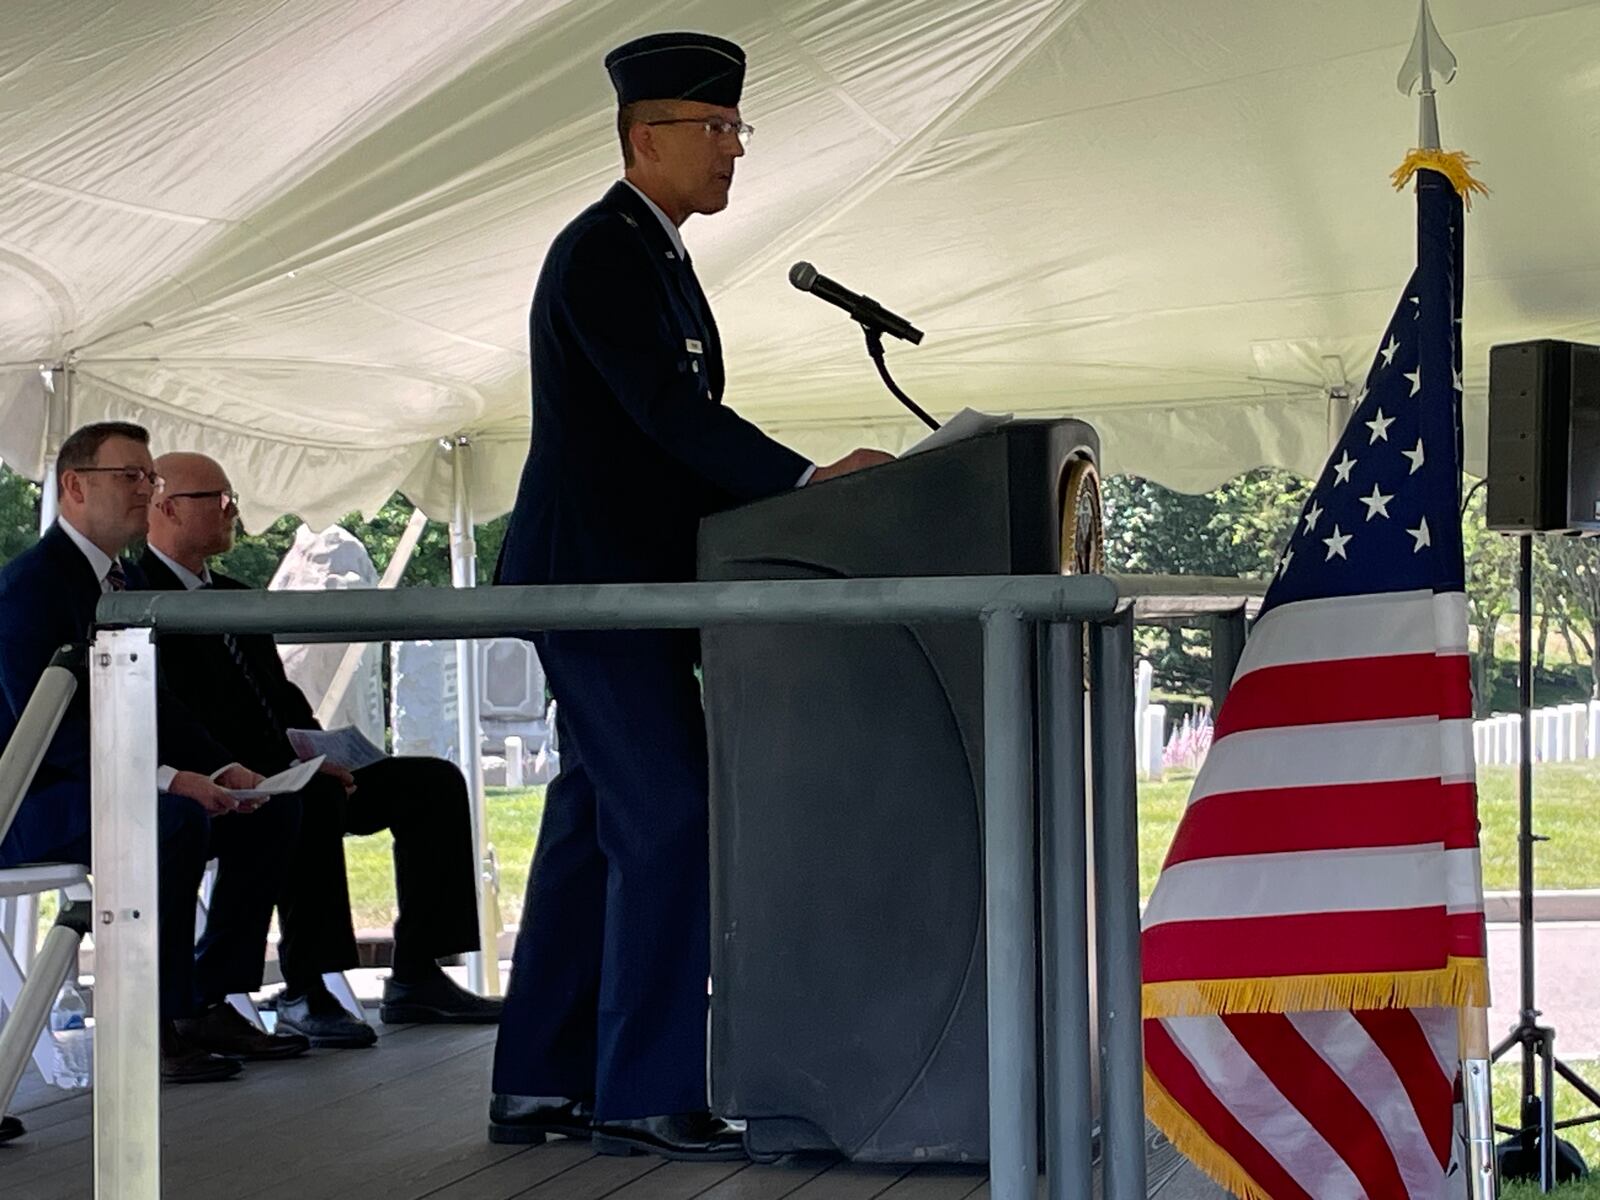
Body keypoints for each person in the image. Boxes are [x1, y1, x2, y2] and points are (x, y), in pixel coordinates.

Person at [488, 31, 892, 1159]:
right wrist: (805, 480)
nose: (731, 152)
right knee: (665, 817)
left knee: (594, 823)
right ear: (642, 138)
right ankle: (643, 1091)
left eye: (735, 131)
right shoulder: (605, 251)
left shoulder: (654, 251)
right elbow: (667, 414)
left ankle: (538, 1078)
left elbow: (666, 431)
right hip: (595, 577)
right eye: (711, 131)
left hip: (636, 577)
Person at [139, 451, 502, 1047]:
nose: (233, 512)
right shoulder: (139, 597)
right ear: (167, 506)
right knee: (306, 800)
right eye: (219, 499)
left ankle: (418, 972)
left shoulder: (234, 596)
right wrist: (262, 770)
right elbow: (166, 716)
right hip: (216, 779)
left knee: (431, 783)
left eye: (233, 498)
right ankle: (308, 987)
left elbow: (278, 698)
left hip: (284, 764)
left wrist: (319, 749)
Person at [0, 422, 309, 1086]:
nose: (147, 490)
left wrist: (228, 771)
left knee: (267, 811)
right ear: (74, 488)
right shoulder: (32, 585)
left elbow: (160, 703)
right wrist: (167, 781)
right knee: (170, 821)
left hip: (96, 786)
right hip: (29, 798)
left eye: (151, 478)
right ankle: (153, 1023)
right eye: (131, 477)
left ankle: (208, 998)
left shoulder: (117, 583)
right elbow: (47, 729)